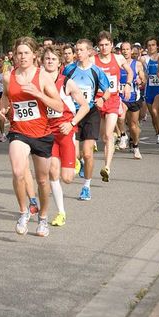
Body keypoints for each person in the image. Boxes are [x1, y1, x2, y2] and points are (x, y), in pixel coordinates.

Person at [0, 37, 63, 237]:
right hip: (19, 131)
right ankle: (23, 211)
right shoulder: (9, 76)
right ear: (14, 56)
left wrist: (39, 94)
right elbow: (5, 98)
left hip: (42, 134)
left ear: (34, 55)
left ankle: (43, 218)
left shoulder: (42, 77)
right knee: (18, 171)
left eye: (26, 53)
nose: (22, 56)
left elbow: (59, 106)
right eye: (19, 53)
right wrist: (3, 109)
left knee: (43, 181)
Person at [41, 46, 89, 227]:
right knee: (53, 171)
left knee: (67, 179)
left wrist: (71, 123)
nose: (50, 61)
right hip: (48, 132)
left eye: (53, 59)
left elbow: (84, 106)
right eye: (47, 59)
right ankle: (61, 212)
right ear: (42, 62)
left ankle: (76, 162)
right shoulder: (39, 83)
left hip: (66, 131)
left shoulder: (66, 82)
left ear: (60, 62)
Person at [62, 39, 111, 201]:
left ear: (90, 52)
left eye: (81, 50)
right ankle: (80, 162)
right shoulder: (69, 70)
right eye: (76, 50)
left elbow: (108, 91)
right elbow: (60, 88)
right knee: (75, 154)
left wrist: (103, 99)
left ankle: (86, 187)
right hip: (73, 115)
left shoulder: (96, 71)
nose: (78, 53)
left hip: (90, 113)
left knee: (88, 153)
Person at [93, 31, 134, 182]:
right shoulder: (93, 59)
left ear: (111, 45)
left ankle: (107, 167)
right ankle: (114, 137)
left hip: (113, 100)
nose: (104, 48)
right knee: (104, 136)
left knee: (108, 134)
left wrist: (128, 85)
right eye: (101, 45)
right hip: (97, 101)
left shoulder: (118, 58)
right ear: (98, 46)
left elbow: (130, 71)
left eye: (106, 45)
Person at [118, 42, 145, 159]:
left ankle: (135, 146)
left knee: (133, 126)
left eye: (127, 49)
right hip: (120, 96)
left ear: (131, 51)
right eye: (123, 49)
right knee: (121, 117)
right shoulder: (118, 64)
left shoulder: (137, 64)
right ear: (120, 51)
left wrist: (141, 80)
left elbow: (143, 78)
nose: (125, 51)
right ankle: (123, 135)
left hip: (134, 97)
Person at [141, 37, 159, 148]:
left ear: (157, 46)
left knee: (158, 111)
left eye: (153, 45)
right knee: (153, 114)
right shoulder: (143, 59)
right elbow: (142, 74)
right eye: (149, 45)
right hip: (149, 89)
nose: (151, 47)